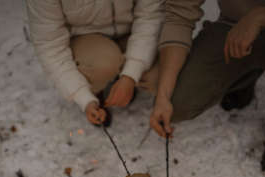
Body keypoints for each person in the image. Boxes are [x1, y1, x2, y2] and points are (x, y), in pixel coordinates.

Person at [149, 1, 265, 175]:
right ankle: (246, 76)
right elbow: (179, 15)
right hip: (232, 26)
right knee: (177, 103)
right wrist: (163, 96)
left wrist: (261, 16)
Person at [26, 0, 163, 126]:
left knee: (158, 77)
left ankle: (121, 81)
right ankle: (96, 91)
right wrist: (85, 99)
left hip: (133, 33)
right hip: (87, 41)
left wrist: (131, 75)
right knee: (103, 64)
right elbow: (51, 46)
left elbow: (150, 17)